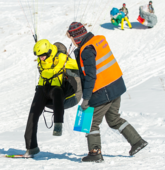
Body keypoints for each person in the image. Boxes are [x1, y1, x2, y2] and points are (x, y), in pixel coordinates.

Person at [66, 22, 148, 162]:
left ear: (77, 38)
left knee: (91, 123)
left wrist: (86, 99)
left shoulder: (86, 50)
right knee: (114, 119)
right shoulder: (97, 40)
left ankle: (95, 153)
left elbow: (91, 76)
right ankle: (137, 142)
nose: (71, 41)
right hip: (116, 86)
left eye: (71, 38)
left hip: (102, 91)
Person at [24, 39, 80, 157]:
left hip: (56, 87)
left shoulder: (62, 58)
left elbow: (79, 66)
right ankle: (31, 147)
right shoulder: (41, 58)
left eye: (43, 55)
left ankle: (58, 125)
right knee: (32, 115)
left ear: (49, 51)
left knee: (57, 93)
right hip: (42, 88)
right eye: (39, 56)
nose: (41, 58)